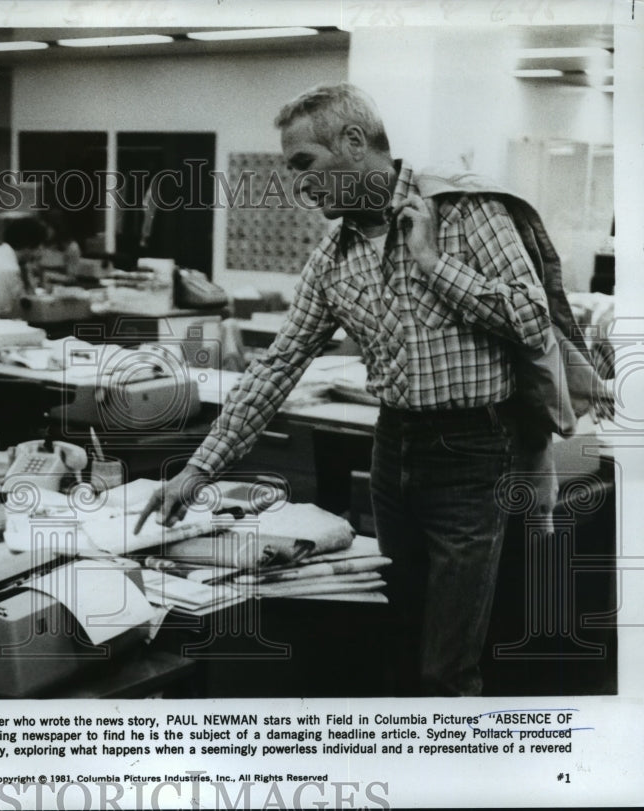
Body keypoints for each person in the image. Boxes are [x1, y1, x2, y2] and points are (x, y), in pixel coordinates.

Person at [136, 82, 552, 696]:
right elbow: (277, 366)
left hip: (474, 452)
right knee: (396, 641)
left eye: (305, 163)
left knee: (447, 664)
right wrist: (195, 473)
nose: (297, 184)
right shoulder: (333, 257)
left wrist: (436, 265)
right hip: (394, 450)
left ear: (354, 143)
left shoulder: (466, 211)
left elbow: (533, 320)